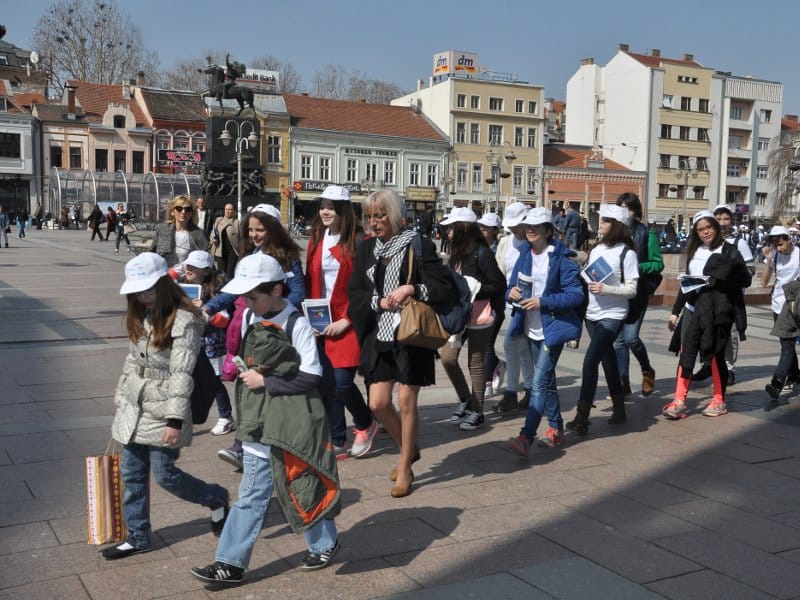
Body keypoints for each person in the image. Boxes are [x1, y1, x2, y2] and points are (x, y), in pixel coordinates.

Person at [190, 253, 341, 585]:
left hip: (291, 425)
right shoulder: (247, 317)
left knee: (303, 487)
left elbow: (312, 375)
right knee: (251, 497)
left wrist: (265, 382)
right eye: (244, 296)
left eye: (252, 296)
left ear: (276, 290)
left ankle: (325, 543)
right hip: (259, 424)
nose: (246, 301)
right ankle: (229, 563)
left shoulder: (296, 323)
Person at [99, 253, 229, 560]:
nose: (143, 296)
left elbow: (182, 372)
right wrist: (122, 397)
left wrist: (174, 420)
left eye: (149, 289)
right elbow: (132, 361)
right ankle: (138, 536)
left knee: (164, 474)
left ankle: (216, 498)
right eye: (138, 291)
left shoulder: (184, 320)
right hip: (136, 403)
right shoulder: (142, 314)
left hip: (166, 404)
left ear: (164, 284)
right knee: (131, 474)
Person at [348, 190, 452, 498]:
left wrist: (410, 287)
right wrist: (375, 301)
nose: (374, 222)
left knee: (407, 402)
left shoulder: (418, 245)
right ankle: (409, 447)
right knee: (378, 403)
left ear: (395, 216)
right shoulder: (366, 249)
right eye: (369, 216)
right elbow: (356, 290)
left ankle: (405, 467)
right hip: (379, 332)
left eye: (380, 216)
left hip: (411, 334)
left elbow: (441, 288)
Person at [305, 185, 378, 458]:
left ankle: (365, 423)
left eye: (331, 206)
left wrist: (347, 320)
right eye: (322, 205)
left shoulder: (359, 241)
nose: (325, 211)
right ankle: (338, 439)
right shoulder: (316, 237)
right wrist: (308, 316)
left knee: (342, 382)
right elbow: (312, 280)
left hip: (350, 318)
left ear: (344, 211)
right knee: (325, 383)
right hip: (320, 318)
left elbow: (368, 287)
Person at [505, 207, 584, 454]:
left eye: (536, 227)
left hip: (553, 329)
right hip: (531, 328)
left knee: (539, 383)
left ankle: (526, 436)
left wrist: (543, 301)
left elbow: (576, 295)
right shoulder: (524, 255)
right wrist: (512, 293)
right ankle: (556, 429)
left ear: (548, 231)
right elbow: (510, 288)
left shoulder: (561, 259)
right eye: (528, 226)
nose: (530, 230)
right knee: (547, 381)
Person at [662, 210, 751, 420]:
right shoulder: (694, 251)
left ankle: (719, 400)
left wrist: (719, 279)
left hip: (719, 312)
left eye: (709, 227)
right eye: (700, 229)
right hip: (693, 310)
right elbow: (687, 284)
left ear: (716, 228)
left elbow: (744, 279)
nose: (705, 232)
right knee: (687, 354)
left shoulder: (730, 251)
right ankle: (679, 400)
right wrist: (675, 312)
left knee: (714, 356)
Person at [566, 204, 639, 437]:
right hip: (592, 314)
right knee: (608, 361)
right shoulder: (596, 248)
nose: (601, 223)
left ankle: (582, 416)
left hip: (613, 315)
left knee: (590, 362)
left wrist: (605, 288)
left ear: (616, 226)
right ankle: (619, 408)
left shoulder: (627, 253)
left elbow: (632, 289)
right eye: (601, 219)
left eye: (606, 221)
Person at [441, 208, 506, 431]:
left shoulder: (482, 252)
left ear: (463, 228)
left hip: (480, 314)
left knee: (475, 362)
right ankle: (466, 399)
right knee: (448, 358)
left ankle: (477, 411)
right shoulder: (456, 252)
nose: (447, 231)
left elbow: (499, 284)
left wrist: (473, 289)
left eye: (451, 227)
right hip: (459, 315)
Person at [171, 250, 236, 436]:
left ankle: (226, 417)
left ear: (206, 271)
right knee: (188, 379)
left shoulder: (215, 291)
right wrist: (179, 269)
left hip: (210, 344)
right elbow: (162, 282)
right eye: (188, 265)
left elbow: (224, 319)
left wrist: (203, 311)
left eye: (195, 267)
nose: (190, 269)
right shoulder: (183, 285)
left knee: (214, 382)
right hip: (188, 341)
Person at [695, 204, 754, 386]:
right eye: (718, 219)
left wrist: (728, 279)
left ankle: (729, 369)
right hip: (709, 299)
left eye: (726, 218)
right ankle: (708, 364)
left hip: (730, 299)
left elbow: (749, 270)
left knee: (730, 335)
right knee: (708, 331)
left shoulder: (738, 243)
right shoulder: (703, 245)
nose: (722, 222)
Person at [613, 192, 664, 397]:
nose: (624, 212)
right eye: (621, 207)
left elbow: (658, 264)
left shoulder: (646, 233)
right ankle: (623, 383)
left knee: (631, 338)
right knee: (619, 342)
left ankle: (647, 370)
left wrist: (635, 267)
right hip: (617, 293)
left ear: (636, 211)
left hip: (638, 293)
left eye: (628, 208)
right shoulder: (614, 233)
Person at [492, 202, 534, 413]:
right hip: (511, 302)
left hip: (531, 303)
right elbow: (501, 272)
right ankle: (526, 389)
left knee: (515, 346)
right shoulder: (505, 243)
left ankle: (517, 391)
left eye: (519, 225)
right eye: (513, 226)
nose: (516, 230)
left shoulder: (534, 241)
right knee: (516, 347)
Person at [760, 225, 800, 409]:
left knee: (787, 345)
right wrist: (769, 261)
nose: (779, 247)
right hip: (778, 305)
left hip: (793, 306)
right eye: (776, 244)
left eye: (781, 242)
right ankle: (795, 377)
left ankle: (777, 383)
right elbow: (764, 281)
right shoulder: (775, 255)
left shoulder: (798, 254)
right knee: (787, 343)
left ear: (789, 238)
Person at [477, 212, 504, 396]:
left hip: (497, 301)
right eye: (480, 227)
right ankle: (495, 366)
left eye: (485, 228)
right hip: (480, 303)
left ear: (495, 231)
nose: (481, 230)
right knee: (484, 344)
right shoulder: (476, 248)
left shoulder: (501, 248)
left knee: (488, 343)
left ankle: (486, 381)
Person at [150, 195, 209, 267]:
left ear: (191, 213)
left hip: (188, 276)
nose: (183, 212)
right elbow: (151, 253)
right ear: (172, 212)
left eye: (187, 209)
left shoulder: (198, 233)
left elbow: (207, 258)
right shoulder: (162, 229)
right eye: (179, 208)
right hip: (164, 275)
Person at [211, 203, 240, 277]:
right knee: (221, 274)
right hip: (220, 251)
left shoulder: (237, 222)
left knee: (230, 274)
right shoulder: (219, 220)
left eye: (230, 209)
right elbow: (213, 233)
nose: (228, 211)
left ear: (234, 211)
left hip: (232, 252)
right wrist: (214, 240)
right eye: (226, 209)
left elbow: (242, 237)